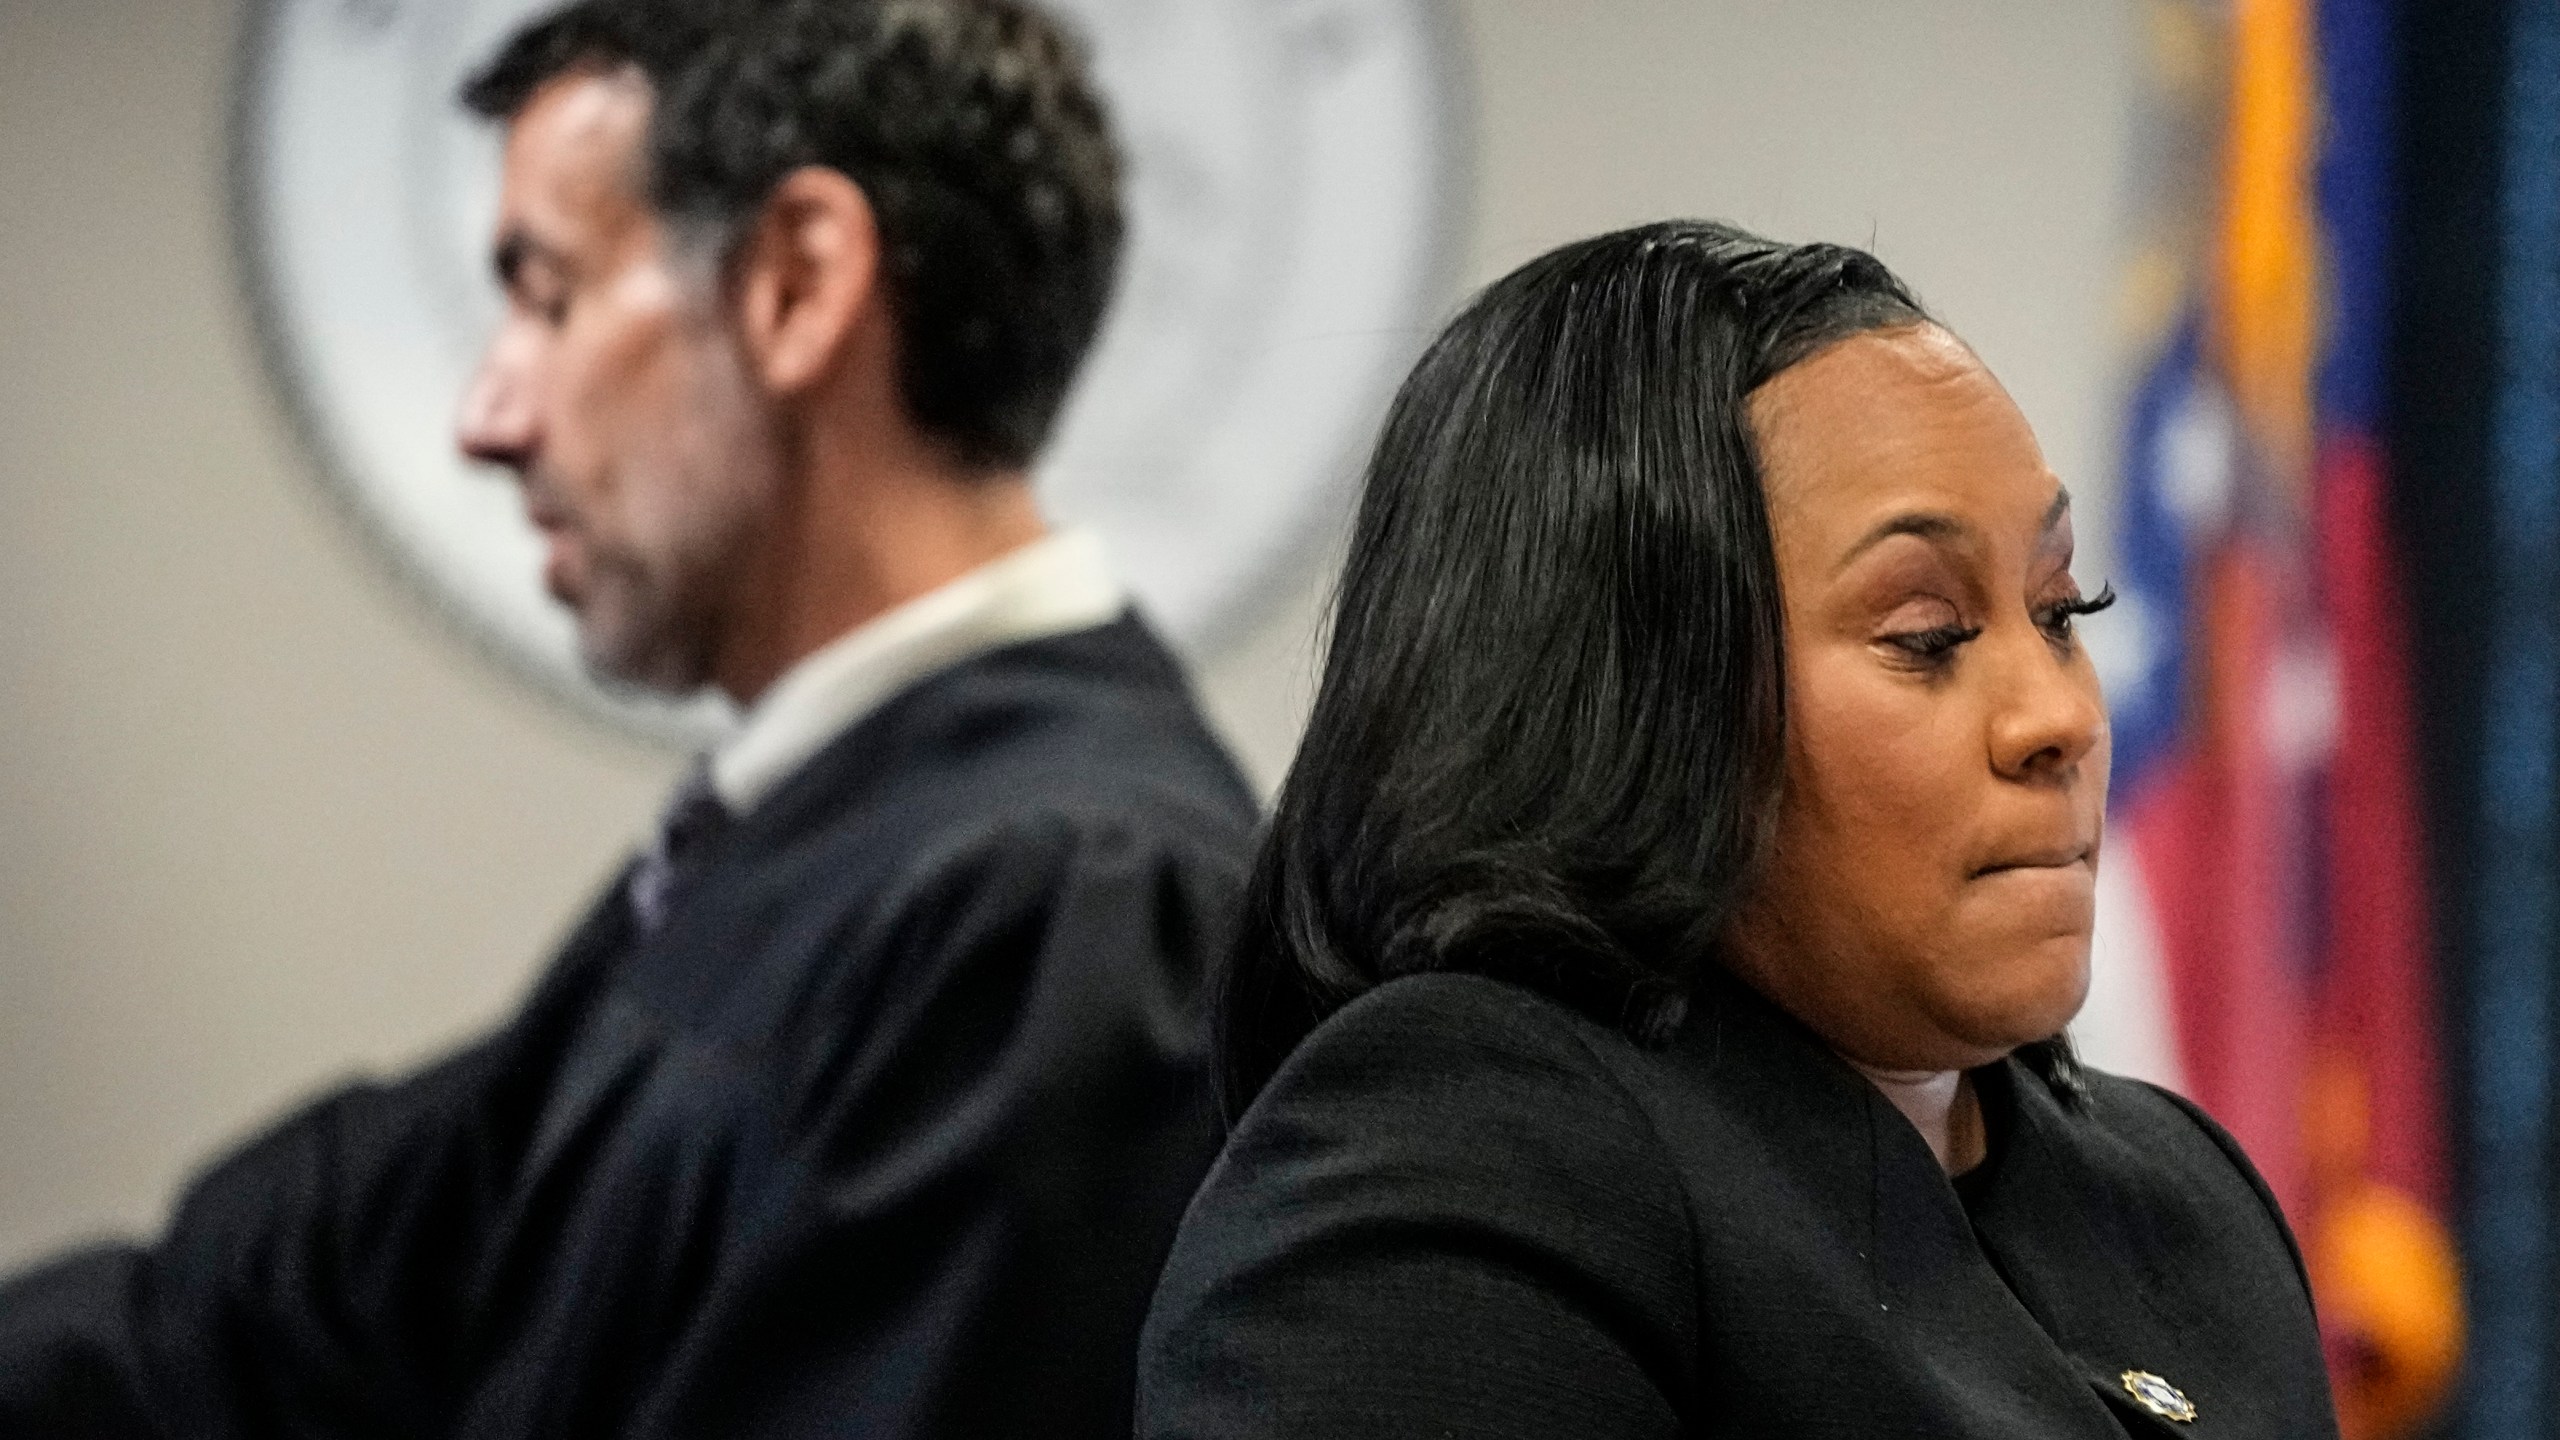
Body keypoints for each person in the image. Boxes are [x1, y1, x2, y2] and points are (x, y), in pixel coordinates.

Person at [0, 1, 1257, 1436]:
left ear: (795, 283)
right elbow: (312, 1285)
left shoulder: (1058, 913)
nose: (490, 413)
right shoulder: (813, 829)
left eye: (547, 295)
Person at [1137, 221, 2340, 1439]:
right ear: (1622, 699)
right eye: (1926, 634)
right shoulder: (1466, 1165)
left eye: (2061, 609)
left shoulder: (2189, 1202)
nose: (2059, 716)